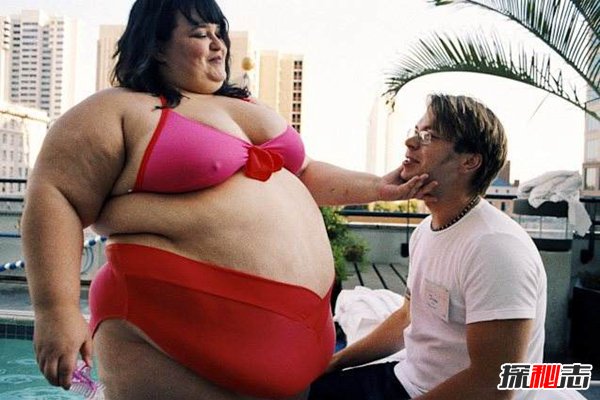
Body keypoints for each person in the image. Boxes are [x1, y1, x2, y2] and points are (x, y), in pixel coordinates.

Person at [21, 0, 437, 399]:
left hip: (298, 334)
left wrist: (378, 188)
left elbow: (304, 172)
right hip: (166, 333)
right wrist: (56, 310)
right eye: (200, 34)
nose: (218, 43)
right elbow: (56, 194)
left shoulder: (247, 106)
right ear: (156, 46)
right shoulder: (120, 109)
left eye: (219, 32)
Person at [308, 94, 547, 400]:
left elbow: (493, 383)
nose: (410, 142)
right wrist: (336, 362)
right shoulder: (427, 230)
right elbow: (408, 315)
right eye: (416, 132)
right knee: (297, 391)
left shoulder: (495, 248)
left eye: (427, 136)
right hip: (407, 379)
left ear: (469, 161)